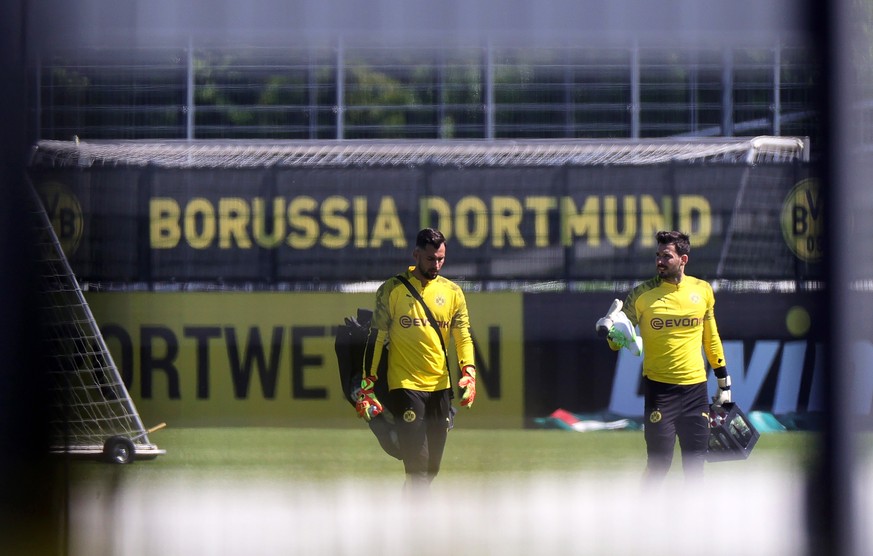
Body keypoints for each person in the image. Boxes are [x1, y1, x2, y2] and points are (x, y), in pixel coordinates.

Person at [602, 230, 731, 483]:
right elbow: (616, 344)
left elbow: (711, 338)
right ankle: (643, 518)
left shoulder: (702, 291)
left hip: (696, 393)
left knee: (696, 468)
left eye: (667, 256)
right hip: (660, 393)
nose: (660, 261)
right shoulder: (640, 295)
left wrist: (724, 383)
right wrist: (611, 328)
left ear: (683, 259)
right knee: (659, 465)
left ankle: (694, 520)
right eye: (658, 255)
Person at [355, 227, 477, 494]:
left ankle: (407, 511)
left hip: (441, 387)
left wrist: (469, 372)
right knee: (417, 468)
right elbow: (377, 337)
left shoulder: (453, 292)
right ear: (416, 254)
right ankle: (417, 528)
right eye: (431, 259)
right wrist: (368, 382)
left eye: (441, 259)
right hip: (406, 385)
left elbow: (463, 336)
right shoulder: (392, 289)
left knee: (432, 468)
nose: (436, 264)